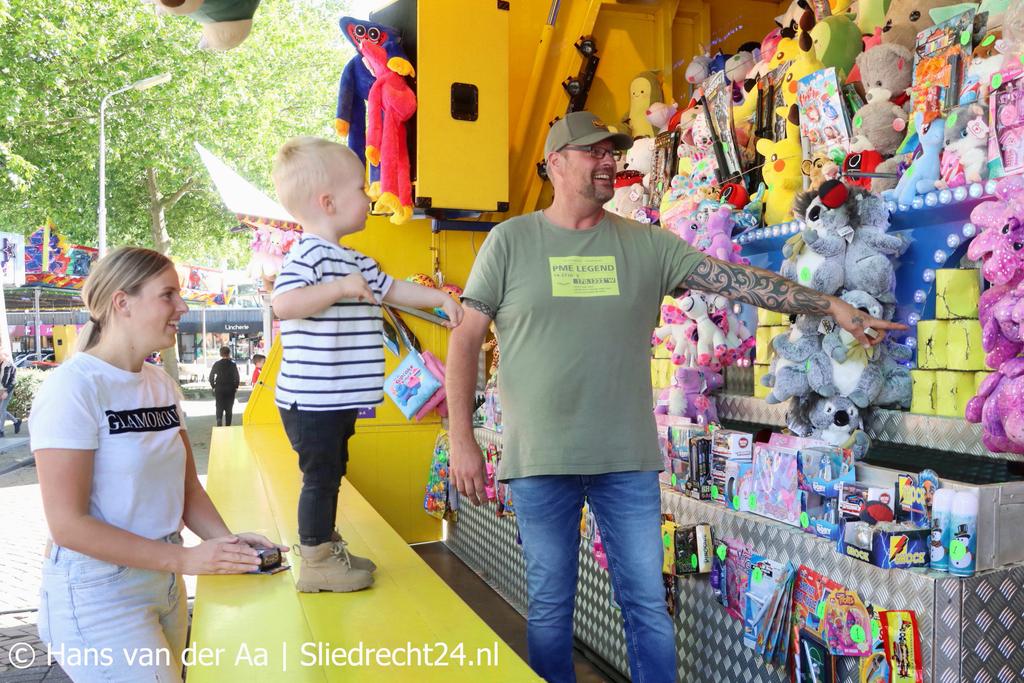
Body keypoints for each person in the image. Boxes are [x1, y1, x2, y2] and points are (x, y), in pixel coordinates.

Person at [445, 111, 905, 683]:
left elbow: (737, 281)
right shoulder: (509, 242)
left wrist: (830, 304)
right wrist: (460, 437)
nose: (609, 160)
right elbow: (464, 339)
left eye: (613, 151)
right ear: (555, 164)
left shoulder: (648, 246)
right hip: (539, 459)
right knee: (548, 608)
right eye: (593, 152)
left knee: (646, 607)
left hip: (626, 461)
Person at [31, 247, 286, 682]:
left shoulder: (161, 384)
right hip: (98, 594)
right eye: (168, 295)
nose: (183, 307)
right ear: (121, 302)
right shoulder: (73, 389)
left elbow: (187, 492)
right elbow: (67, 525)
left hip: (165, 581)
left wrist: (229, 548)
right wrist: (187, 559)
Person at [270, 136, 464, 593]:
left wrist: (440, 298)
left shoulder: (354, 259)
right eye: (362, 189)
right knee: (321, 478)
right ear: (329, 202)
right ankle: (315, 560)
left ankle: (326, 544)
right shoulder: (310, 254)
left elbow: (394, 289)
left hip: (335, 399)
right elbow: (284, 304)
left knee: (331, 472)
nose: (370, 196)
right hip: (313, 399)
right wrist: (338, 289)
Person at [209, 345, 240, 426]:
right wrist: (236, 386)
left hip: (219, 388)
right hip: (230, 388)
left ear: (220, 354)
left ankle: (219, 419)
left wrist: (213, 386)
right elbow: (237, 376)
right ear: (229, 354)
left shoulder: (217, 364)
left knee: (219, 405)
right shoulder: (232, 364)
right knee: (229, 407)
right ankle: (228, 425)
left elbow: (211, 376)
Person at [0, 349, 22, 436]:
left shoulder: (11, 366)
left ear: (5, 356)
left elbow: (13, 382)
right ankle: (16, 422)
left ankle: (1, 431)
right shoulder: (0, 364)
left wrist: (6, 392)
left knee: (2, 409)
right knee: (1, 410)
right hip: (0, 389)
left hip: (7, 390)